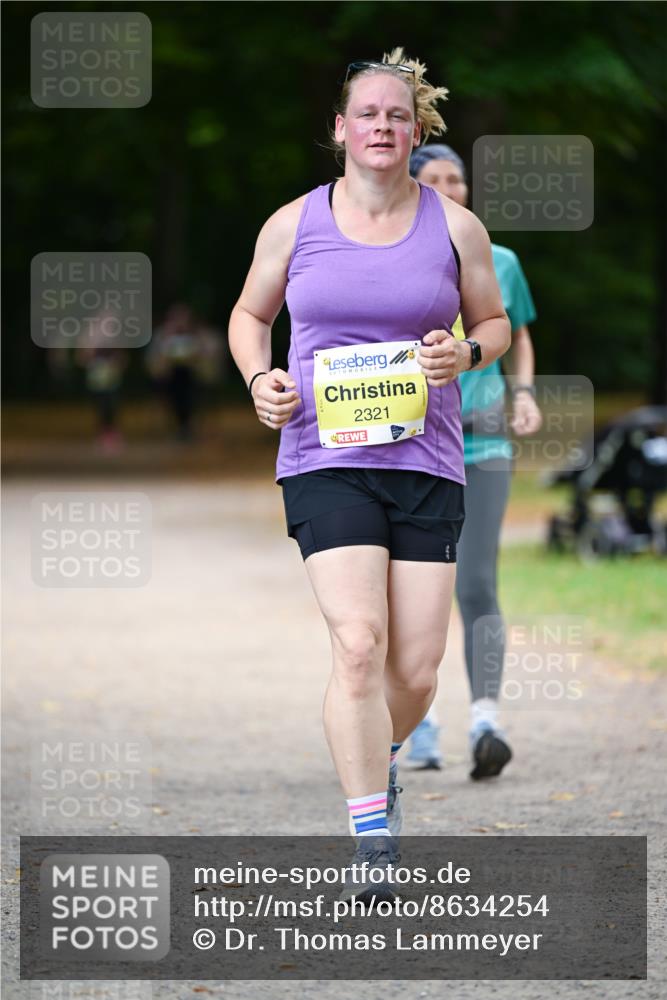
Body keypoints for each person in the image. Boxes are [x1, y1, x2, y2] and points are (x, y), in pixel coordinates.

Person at [228, 49, 511, 901]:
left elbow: (492, 324)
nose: (383, 127)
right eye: (368, 114)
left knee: (417, 671)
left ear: (415, 129)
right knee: (358, 643)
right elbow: (250, 315)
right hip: (324, 457)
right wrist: (259, 381)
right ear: (341, 129)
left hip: (426, 459)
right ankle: (371, 836)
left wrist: (463, 349)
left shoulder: (455, 227)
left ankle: (379, 754)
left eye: (398, 116)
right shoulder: (293, 224)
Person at [405, 144, 542, 777]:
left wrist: (525, 395)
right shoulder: (389, 254)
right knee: (410, 591)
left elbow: (514, 332)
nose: (448, 187)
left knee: (477, 582)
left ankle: (486, 718)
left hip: (483, 441)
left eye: (455, 178)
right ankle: (418, 721)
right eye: (433, 179)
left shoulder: (501, 259)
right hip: (408, 441)